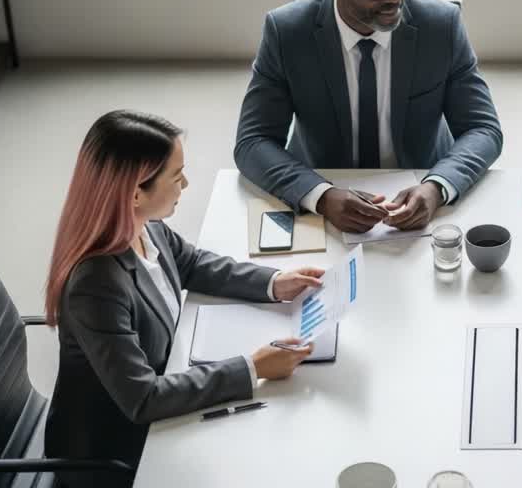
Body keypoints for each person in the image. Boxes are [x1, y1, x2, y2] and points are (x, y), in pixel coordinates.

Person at [45, 111, 325, 486]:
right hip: (119, 452)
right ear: (134, 194)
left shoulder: (145, 226)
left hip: (165, 389)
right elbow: (143, 398)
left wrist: (274, 282)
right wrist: (253, 367)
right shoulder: (96, 284)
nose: (186, 184)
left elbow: (192, 264)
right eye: (177, 177)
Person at [235, 0, 503, 234]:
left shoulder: (441, 25)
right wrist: (321, 196)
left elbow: (483, 128)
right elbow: (253, 141)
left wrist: (437, 186)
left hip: (421, 189)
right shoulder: (287, 33)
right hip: (324, 188)